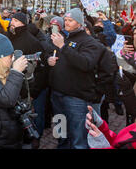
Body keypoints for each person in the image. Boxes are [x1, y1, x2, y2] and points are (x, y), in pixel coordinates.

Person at [48, 8, 103, 149]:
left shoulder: (90, 42)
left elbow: (85, 64)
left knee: (78, 137)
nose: (66, 23)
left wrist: (63, 46)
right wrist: (51, 61)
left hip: (75, 98)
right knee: (60, 133)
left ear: (79, 23)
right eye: (65, 20)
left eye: (70, 20)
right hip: (57, 95)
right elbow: (63, 60)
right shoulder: (65, 38)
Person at [7, 12, 49, 148]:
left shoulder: (33, 42)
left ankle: (34, 140)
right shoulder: (8, 38)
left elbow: (42, 71)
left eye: (15, 20)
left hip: (29, 91)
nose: (11, 22)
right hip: (12, 88)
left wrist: (34, 93)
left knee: (32, 120)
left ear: (23, 23)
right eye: (11, 20)